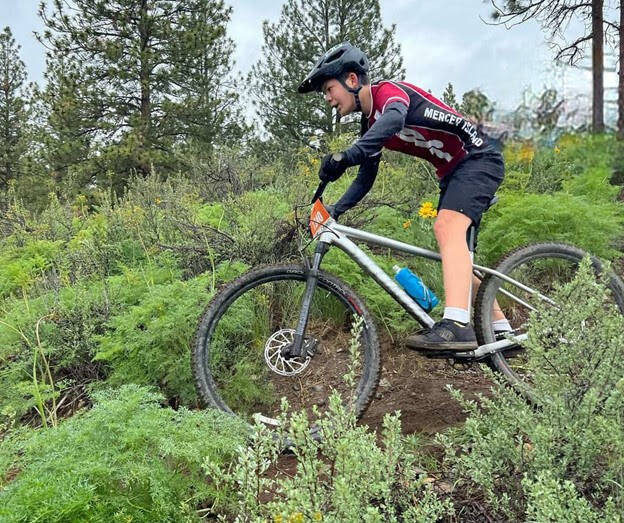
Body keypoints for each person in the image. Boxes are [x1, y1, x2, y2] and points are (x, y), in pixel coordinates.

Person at [298, 42, 510, 351]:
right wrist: (336, 210)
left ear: (353, 81)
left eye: (330, 89)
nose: (329, 100)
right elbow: (365, 178)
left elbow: (395, 119)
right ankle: (501, 330)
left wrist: (347, 155)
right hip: (453, 173)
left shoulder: (388, 94)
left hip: (479, 156)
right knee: (455, 255)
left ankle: (457, 327)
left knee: (446, 227)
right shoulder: (369, 122)